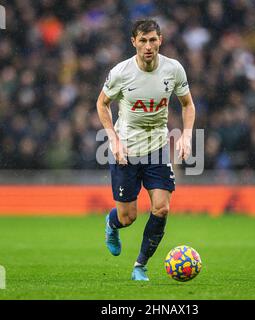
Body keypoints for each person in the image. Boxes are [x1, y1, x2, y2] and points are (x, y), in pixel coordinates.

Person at [96, 19, 195, 281]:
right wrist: (113, 139)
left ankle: (140, 266)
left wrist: (186, 136)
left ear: (160, 40)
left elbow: (187, 104)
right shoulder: (121, 72)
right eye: (143, 40)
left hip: (157, 149)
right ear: (134, 42)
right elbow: (102, 104)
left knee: (161, 208)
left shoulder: (173, 70)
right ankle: (112, 223)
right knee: (128, 217)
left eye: (153, 40)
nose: (148, 46)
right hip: (126, 152)